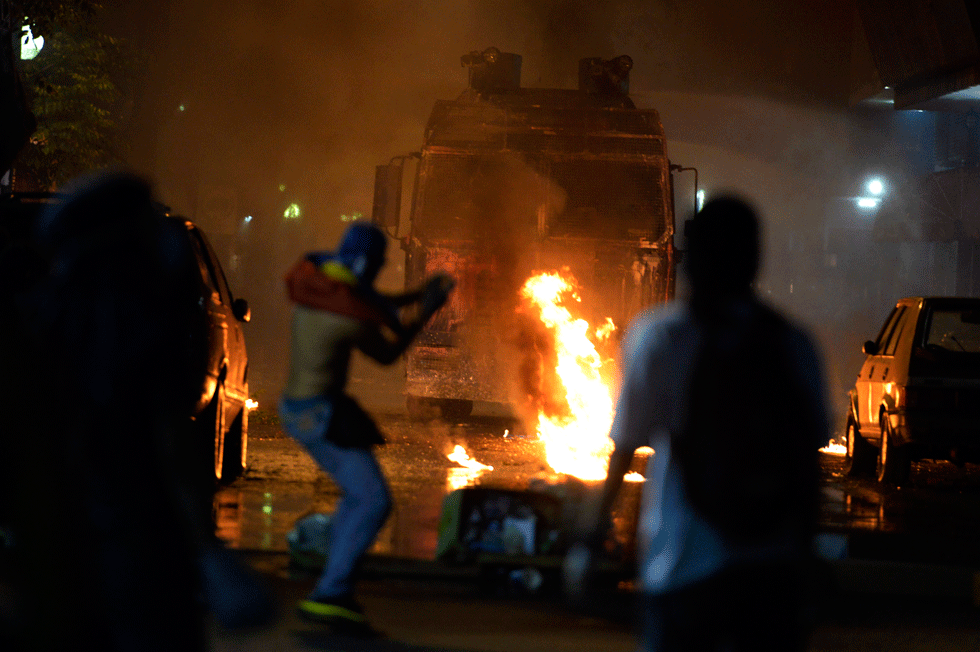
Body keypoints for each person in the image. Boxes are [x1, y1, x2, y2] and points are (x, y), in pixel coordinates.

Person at [564, 195, 829, 652]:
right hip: (771, 575)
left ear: (691, 258)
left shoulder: (662, 337)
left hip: (683, 565)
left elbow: (625, 448)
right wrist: (806, 568)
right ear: (755, 258)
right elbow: (808, 467)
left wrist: (589, 541)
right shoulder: (793, 342)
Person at [278, 222, 453, 631]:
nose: (377, 273)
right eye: (377, 265)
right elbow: (389, 353)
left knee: (359, 498)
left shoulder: (323, 286)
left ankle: (334, 586)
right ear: (366, 264)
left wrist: (416, 294)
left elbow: (370, 299)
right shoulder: (346, 317)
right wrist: (427, 311)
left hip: (306, 408)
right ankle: (331, 591)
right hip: (317, 414)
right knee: (373, 500)